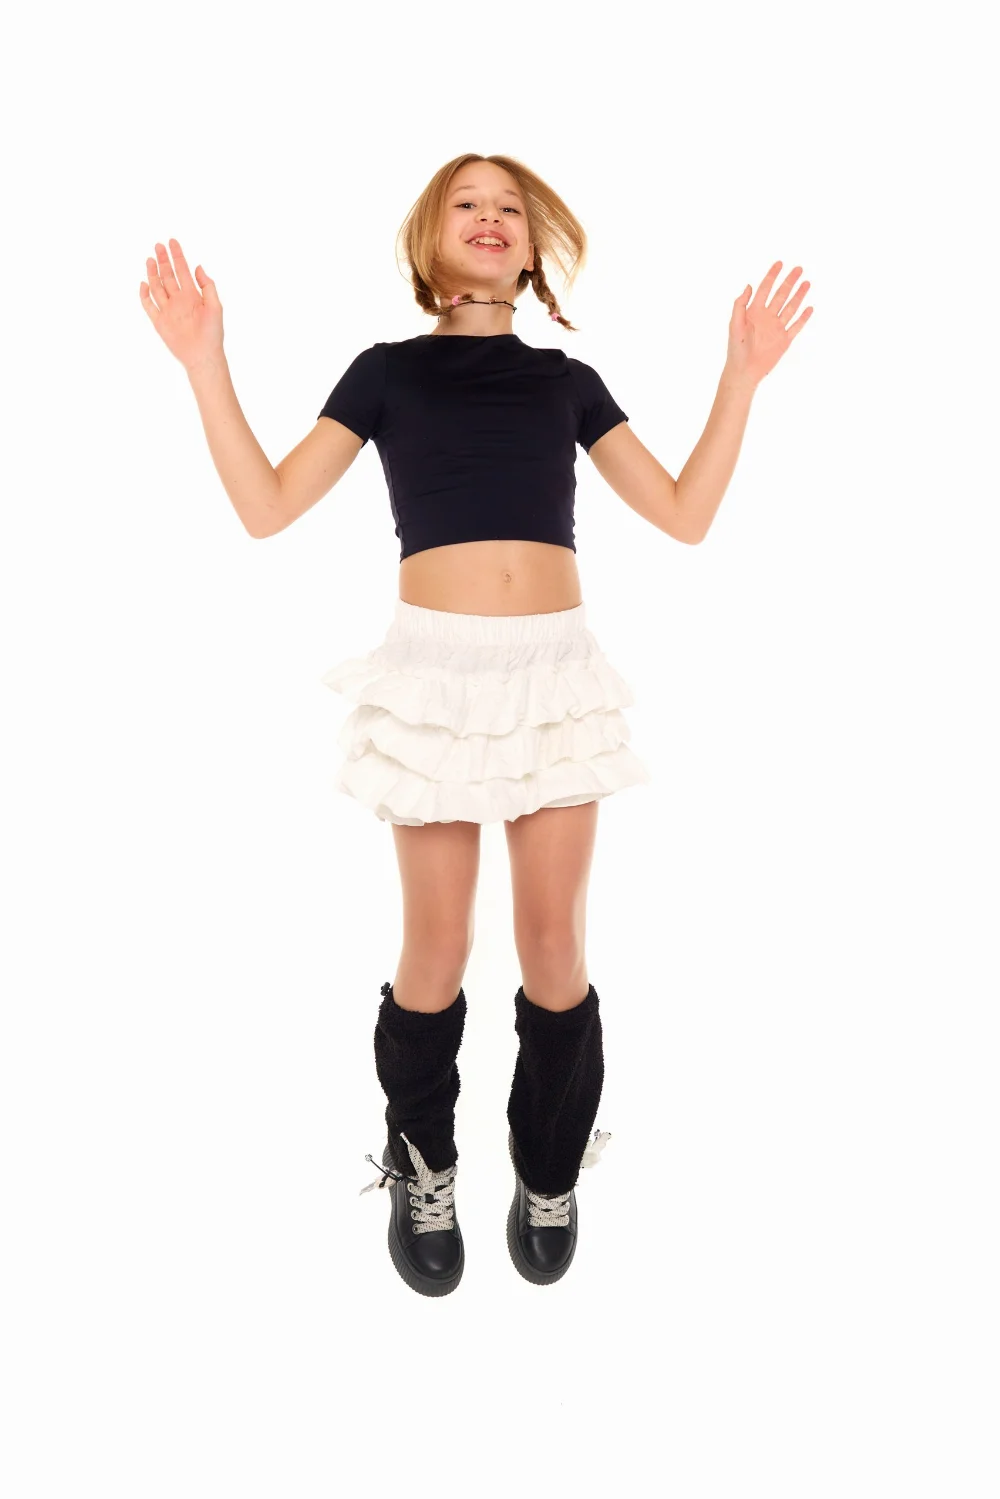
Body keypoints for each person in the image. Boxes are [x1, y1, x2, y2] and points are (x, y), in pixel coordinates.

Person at [139, 152, 812, 1301]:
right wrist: (206, 362)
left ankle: (547, 1166)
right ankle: (424, 1164)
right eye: (466, 203)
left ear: (533, 247)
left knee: (553, 949)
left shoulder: (567, 382)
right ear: (429, 240)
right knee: (435, 950)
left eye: (510, 207)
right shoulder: (384, 373)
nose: (490, 216)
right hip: (435, 679)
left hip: (552, 676)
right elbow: (266, 506)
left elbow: (684, 514)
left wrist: (740, 376)